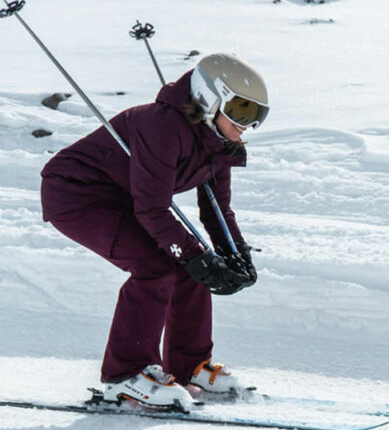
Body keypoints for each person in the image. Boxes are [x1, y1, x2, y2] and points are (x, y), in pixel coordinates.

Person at [39, 53, 270, 411]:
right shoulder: (162, 126)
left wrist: (235, 253)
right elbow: (152, 209)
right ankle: (126, 376)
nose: (247, 124)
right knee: (158, 266)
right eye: (240, 111)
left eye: (256, 115)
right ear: (211, 99)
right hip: (77, 195)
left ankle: (188, 366)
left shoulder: (218, 143)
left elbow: (217, 210)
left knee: (190, 263)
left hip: (128, 199)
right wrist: (199, 258)